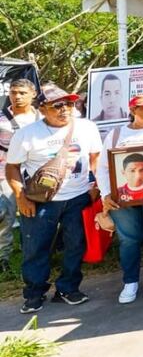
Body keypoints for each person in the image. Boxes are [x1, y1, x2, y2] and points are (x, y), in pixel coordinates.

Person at [8, 85, 102, 314]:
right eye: (57, 105)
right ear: (42, 108)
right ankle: (34, 293)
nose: (65, 109)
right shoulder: (27, 134)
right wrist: (21, 198)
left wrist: (94, 186)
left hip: (78, 197)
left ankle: (68, 288)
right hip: (40, 201)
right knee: (36, 248)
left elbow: (95, 155)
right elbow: (12, 168)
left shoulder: (87, 127)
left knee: (75, 245)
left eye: (69, 104)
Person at [0, 79, 41, 273]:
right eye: (13, 92)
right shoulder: (1, 117)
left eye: (22, 93)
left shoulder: (43, 117)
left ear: (33, 94)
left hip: (37, 173)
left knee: (36, 216)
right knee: (4, 216)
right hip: (6, 174)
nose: (17, 96)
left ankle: (35, 254)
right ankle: (3, 259)